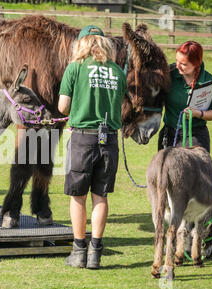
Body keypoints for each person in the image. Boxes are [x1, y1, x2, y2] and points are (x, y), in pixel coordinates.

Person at [58, 25, 126, 269]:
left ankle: (78, 252)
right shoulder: (118, 71)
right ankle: (95, 253)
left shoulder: (75, 67)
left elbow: (63, 107)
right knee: (101, 195)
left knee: (78, 197)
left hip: (83, 139)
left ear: (81, 43)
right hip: (109, 139)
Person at [158, 41, 212, 152]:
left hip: (196, 137)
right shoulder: (169, 74)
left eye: (183, 64)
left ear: (196, 63)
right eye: (177, 61)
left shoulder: (208, 81)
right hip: (169, 136)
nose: (177, 65)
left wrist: (199, 114)